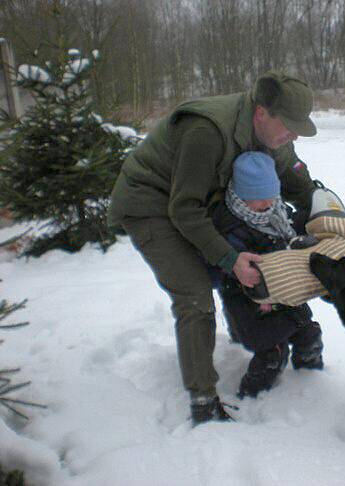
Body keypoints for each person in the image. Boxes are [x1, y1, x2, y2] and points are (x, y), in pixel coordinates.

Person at [107, 71, 323, 425]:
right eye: (289, 125)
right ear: (261, 112)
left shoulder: (275, 135)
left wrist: (324, 209)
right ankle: (204, 401)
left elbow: (295, 179)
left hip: (194, 201)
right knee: (194, 294)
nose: (294, 134)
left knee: (236, 259)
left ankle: (246, 336)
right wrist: (229, 257)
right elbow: (184, 208)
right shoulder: (206, 132)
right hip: (152, 203)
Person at [208, 151, 323, 399]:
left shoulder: (277, 212)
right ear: (242, 196)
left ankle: (313, 374)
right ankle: (254, 395)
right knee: (267, 345)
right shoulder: (230, 225)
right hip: (246, 293)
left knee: (307, 331)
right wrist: (258, 296)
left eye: (271, 197)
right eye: (260, 199)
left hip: (283, 285)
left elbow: (290, 236)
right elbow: (229, 264)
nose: (267, 204)